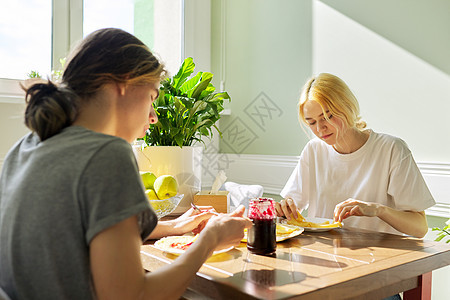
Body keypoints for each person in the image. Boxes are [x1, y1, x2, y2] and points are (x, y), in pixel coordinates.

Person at [0, 28, 252, 300]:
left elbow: (66, 230)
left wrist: (170, 227)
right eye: (152, 97)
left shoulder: (25, 147)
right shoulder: (108, 154)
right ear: (125, 82)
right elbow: (132, 296)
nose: (153, 117)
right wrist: (209, 240)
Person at [276, 73, 435, 238]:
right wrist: (283, 209)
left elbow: (420, 228)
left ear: (347, 106)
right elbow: (292, 211)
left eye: (327, 117)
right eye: (312, 122)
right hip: (323, 254)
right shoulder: (313, 150)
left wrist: (378, 210)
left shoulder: (391, 149)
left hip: (377, 258)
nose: (320, 128)